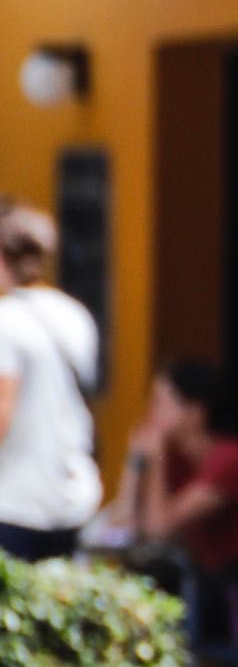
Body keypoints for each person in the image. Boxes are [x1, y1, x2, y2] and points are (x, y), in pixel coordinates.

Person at [114, 359, 238, 578]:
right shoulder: (180, 461)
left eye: (160, 403)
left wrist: (155, 459)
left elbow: (158, 530)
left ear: (195, 412)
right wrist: (134, 463)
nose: (150, 413)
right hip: (215, 588)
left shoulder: (231, 461)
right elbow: (121, 528)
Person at [0, 203, 101, 560]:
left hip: (15, 503)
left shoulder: (6, 321)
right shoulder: (77, 316)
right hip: (71, 497)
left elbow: (2, 410)